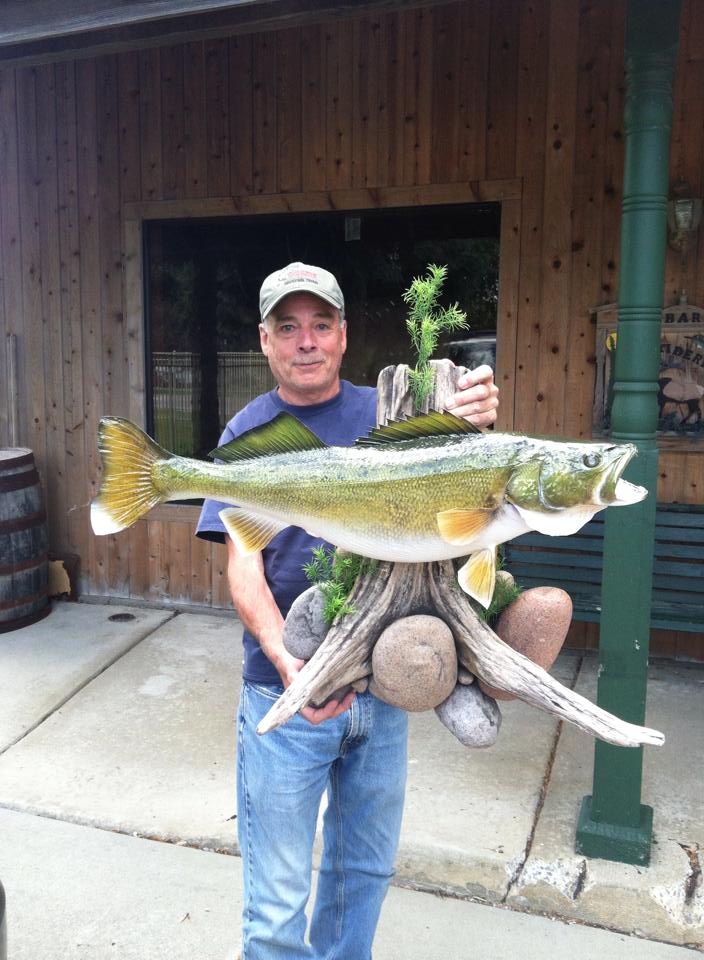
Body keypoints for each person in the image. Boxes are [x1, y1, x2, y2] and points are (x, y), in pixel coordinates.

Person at [196, 262, 499, 959]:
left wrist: (476, 410)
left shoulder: (391, 413)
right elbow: (242, 566)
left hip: (383, 697)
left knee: (360, 880)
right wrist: (287, 657)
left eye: (321, 325)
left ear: (342, 335)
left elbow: (468, 458)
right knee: (276, 907)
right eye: (288, 328)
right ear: (266, 342)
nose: (306, 342)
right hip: (287, 694)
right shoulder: (249, 432)